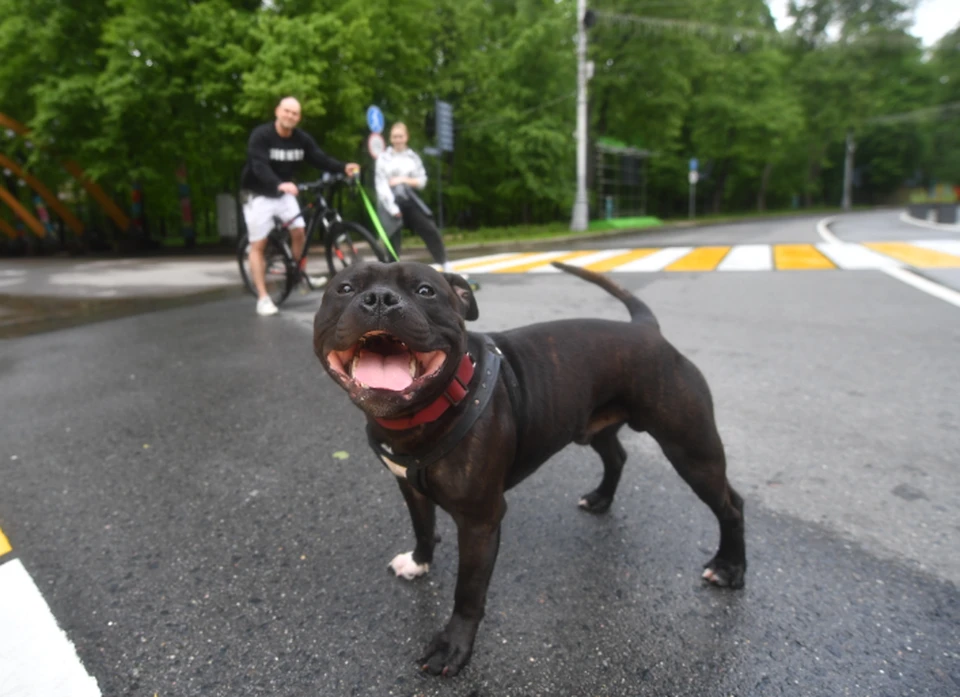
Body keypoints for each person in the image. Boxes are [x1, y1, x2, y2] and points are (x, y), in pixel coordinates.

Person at [240, 96, 360, 316]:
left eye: (295, 113)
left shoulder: (301, 139)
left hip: (284, 192)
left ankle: (298, 274)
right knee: (259, 244)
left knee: (299, 232)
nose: (290, 116)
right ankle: (263, 297)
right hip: (258, 193)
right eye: (287, 111)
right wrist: (279, 184)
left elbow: (319, 158)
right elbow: (258, 166)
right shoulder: (261, 136)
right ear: (277, 111)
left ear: (299, 117)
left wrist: (344, 168)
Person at [374, 122, 456, 274]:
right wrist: (392, 208)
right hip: (390, 201)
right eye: (394, 136)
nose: (398, 139)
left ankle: (444, 263)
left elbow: (422, 181)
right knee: (393, 238)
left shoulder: (413, 157)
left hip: (409, 198)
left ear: (406, 137)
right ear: (391, 138)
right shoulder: (383, 158)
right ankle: (392, 273)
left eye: (400, 136)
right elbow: (381, 185)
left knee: (429, 228)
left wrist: (403, 179)